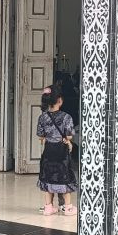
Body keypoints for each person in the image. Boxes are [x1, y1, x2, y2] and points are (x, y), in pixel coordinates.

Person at [37, 86, 78, 216]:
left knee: (48, 177)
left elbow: (40, 136)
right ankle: (67, 207)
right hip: (61, 150)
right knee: (64, 176)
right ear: (59, 100)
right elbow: (69, 135)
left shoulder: (42, 117)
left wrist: (48, 137)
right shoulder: (66, 117)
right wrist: (66, 139)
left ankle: (48, 207)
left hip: (48, 150)